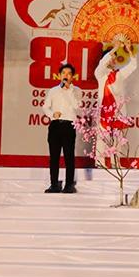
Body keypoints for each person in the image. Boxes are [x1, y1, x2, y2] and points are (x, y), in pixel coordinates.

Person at [93, 41, 138, 166]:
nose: (113, 59)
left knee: (118, 139)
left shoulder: (119, 75)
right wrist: (115, 48)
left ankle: (116, 163)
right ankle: (100, 162)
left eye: (114, 58)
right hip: (104, 111)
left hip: (118, 111)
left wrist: (129, 50)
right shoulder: (100, 74)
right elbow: (102, 64)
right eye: (111, 57)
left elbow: (133, 66)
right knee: (102, 138)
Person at [42, 62, 82, 194]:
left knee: (69, 156)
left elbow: (77, 107)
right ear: (59, 75)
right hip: (55, 125)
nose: (66, 75)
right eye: (63, 73)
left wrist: (69, 90)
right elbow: (45, 107)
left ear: (72, 76)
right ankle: (54, 184)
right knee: (54, 156)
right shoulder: (53, 90)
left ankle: (69, 185)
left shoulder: (76, 91)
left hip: (69, 125)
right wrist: (52, 114)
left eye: (69, 74)